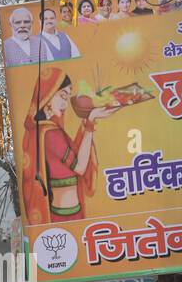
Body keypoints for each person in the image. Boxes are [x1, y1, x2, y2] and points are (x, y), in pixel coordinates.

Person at [20, 67, 116, 227]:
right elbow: (79, 167)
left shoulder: (45, 130)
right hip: (65, 217)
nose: (65, 104)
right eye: (62, 96)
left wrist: (88, 121)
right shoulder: (50, 135)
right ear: (48, 95)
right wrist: (90, 122)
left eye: (68, 97)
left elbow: (76, 153)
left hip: (67, 213)